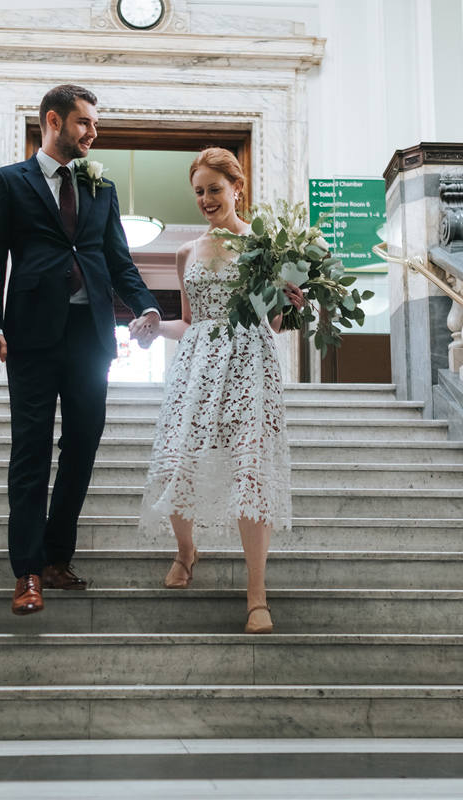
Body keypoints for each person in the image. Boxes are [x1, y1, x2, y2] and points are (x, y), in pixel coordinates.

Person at [0, 84, 161, 616]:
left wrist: (144, 306)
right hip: (30, 336)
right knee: (31, 452)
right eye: (84, 123)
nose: (93, 133)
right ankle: (27, 571)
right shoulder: (9, 182)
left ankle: (58, 558)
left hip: (91, 336)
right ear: (53, 122)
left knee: (82, 447)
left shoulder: (100, 188)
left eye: (94, 125)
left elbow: (118, 259)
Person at [130, 147, 303, 634]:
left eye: (215, 189)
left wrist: (291, 304)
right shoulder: (187, 253)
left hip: (251, 363)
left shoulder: (266, 248)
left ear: (236, 189)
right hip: (197, 363)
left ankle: (256, 593)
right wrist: (152, 326)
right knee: (175, 459)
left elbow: (273, 321)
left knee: (250, 471)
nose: (206, 199)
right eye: (200, 191)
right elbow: (188, 323)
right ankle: (186, 552)